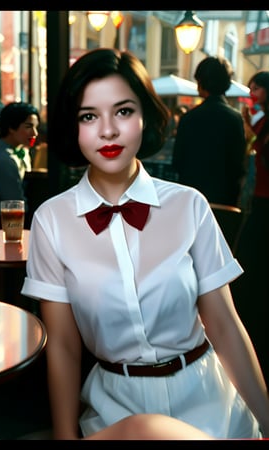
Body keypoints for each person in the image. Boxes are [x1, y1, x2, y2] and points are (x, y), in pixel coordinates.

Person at [21, 48, 269, 440]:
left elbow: (224, 325)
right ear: (74, 127)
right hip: (115, 407)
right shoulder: (51, 221)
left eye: (122, 111)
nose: (108, 130)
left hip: (208, 395)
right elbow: (64, 348)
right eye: (89, 116)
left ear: (145, 118)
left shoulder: (189, 205)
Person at [231, 70, 269, 389]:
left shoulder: (262, 121)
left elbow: (261, 152)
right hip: (259, 198)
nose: (252, 92)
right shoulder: (259, 119)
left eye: (256, 88)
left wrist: (251, 127)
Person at [172, 55, 247, 207]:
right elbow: (238, 164)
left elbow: (178, 161)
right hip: (224, 198)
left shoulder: (189, 118)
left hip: (192, 197)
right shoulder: (235, 118)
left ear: (201, 82)